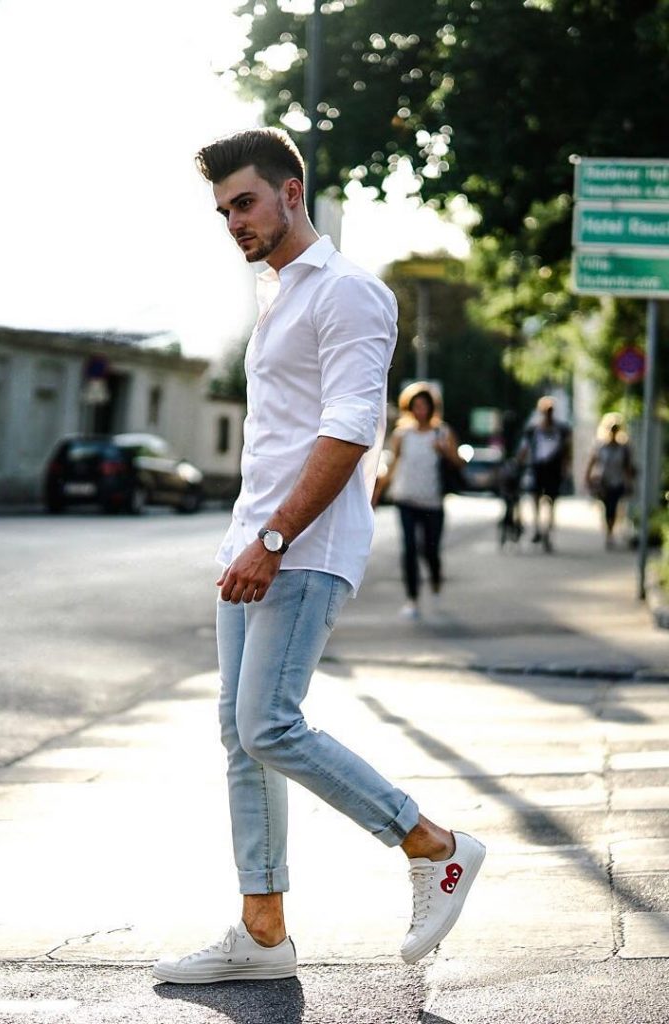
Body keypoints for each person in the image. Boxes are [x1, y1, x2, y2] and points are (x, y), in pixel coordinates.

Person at [152, 128, 485, 985]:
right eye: (224, 208)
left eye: (247, 201)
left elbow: (349, 431)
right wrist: (247, 539)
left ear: (292, 191)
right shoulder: (278, 295)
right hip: (253, 544)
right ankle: (262, 935)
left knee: (270, 724)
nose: (234, 220)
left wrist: (272, 541)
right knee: (240, 738)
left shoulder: (348, 292)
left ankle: (432, 845)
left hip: (298, 549)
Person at [380, 382, 464, 619]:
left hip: (432, 502)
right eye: (416, 406)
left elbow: (459, 463)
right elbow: (394, 465)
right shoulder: (401, 434)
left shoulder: (443, 433)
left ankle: (436, 585)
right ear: (409, 407)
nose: (420, 410)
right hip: (405, 498)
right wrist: (377, 492)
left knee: (430, 551)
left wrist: (445, 451)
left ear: (431, 408)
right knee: (408, 550)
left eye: (424, 406)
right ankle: (412, 600)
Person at [518, 396, 571, 552]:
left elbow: (567, 449)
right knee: (535, 496)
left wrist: (565, 466)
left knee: (551, 499)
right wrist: (519, 461)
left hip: (553, 468)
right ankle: (537, 526)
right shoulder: (534, 429)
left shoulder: (560, 430)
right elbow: (525, 447)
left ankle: (547, 528)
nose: (548, 414)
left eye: (550, 411)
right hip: (538, 467)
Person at [584, 413, 635, 549]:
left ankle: (611, 532)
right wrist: (587, 478)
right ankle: (608, 532)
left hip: (617, 481)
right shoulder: (601, 446)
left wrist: (629, 483)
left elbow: (627, 467)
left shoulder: (624, 448)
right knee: (607, 507)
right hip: (604, 482)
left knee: (614, 506)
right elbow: (592, 463)